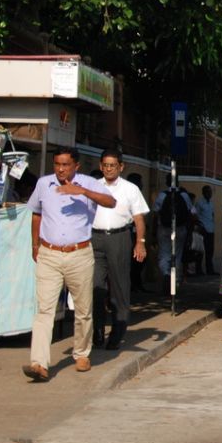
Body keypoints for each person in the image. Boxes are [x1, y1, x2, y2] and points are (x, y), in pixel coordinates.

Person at [23, 147, 116, 382]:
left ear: (76, 166)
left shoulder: (89, 183)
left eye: (65, 164)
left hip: (79, 254)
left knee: (83, 310)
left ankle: (82, 354)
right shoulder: (44, 184)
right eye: (57, 164)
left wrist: (81, 191)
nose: (60, 169)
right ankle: (39, 363)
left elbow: (110, 202)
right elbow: (36, 213)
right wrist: (35, 245)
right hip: (49, 254)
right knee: (44, 310)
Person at [90, 149, 149, 351]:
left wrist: (140, 242)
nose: (108, 169)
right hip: (94, 238)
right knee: (95, 286)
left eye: (112, 165)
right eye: (105, 165)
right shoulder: (93, 186)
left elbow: (139, 218)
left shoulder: (130, 189)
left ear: (121, 167)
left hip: (119, 238)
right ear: (101, 166)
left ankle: (117, 331)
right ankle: (97, 330)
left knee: (119, 287)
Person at [153, 184, 194, 284]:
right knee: (177, 255)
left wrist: (154, 231)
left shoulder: (162, 195)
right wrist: (189, 232)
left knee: (164, 254)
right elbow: (192, 214)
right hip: (180, 228)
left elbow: (155, 213)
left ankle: (166, 273)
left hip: (164, 228)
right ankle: (174, 278)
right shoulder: (184, 196)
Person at [125, 172, 148, 291]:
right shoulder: (128, 194)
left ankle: (136, 283)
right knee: (132, 260)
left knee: (139, 259)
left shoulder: (138, 195)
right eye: (140, 182)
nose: (142, 184)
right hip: (127, 232)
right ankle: (132, 284)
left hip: (136, 232)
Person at [193, 184, 217, 275]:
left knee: (210, 251)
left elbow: (212, 215)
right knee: (200, 251)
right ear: (203, 193)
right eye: (208, 192)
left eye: (210, 192)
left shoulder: (211, 203)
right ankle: (198, 270)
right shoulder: (199, 203)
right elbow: (195, 215)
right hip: (203, 229)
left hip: (211, 229)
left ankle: (210, 269)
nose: (210, 193)